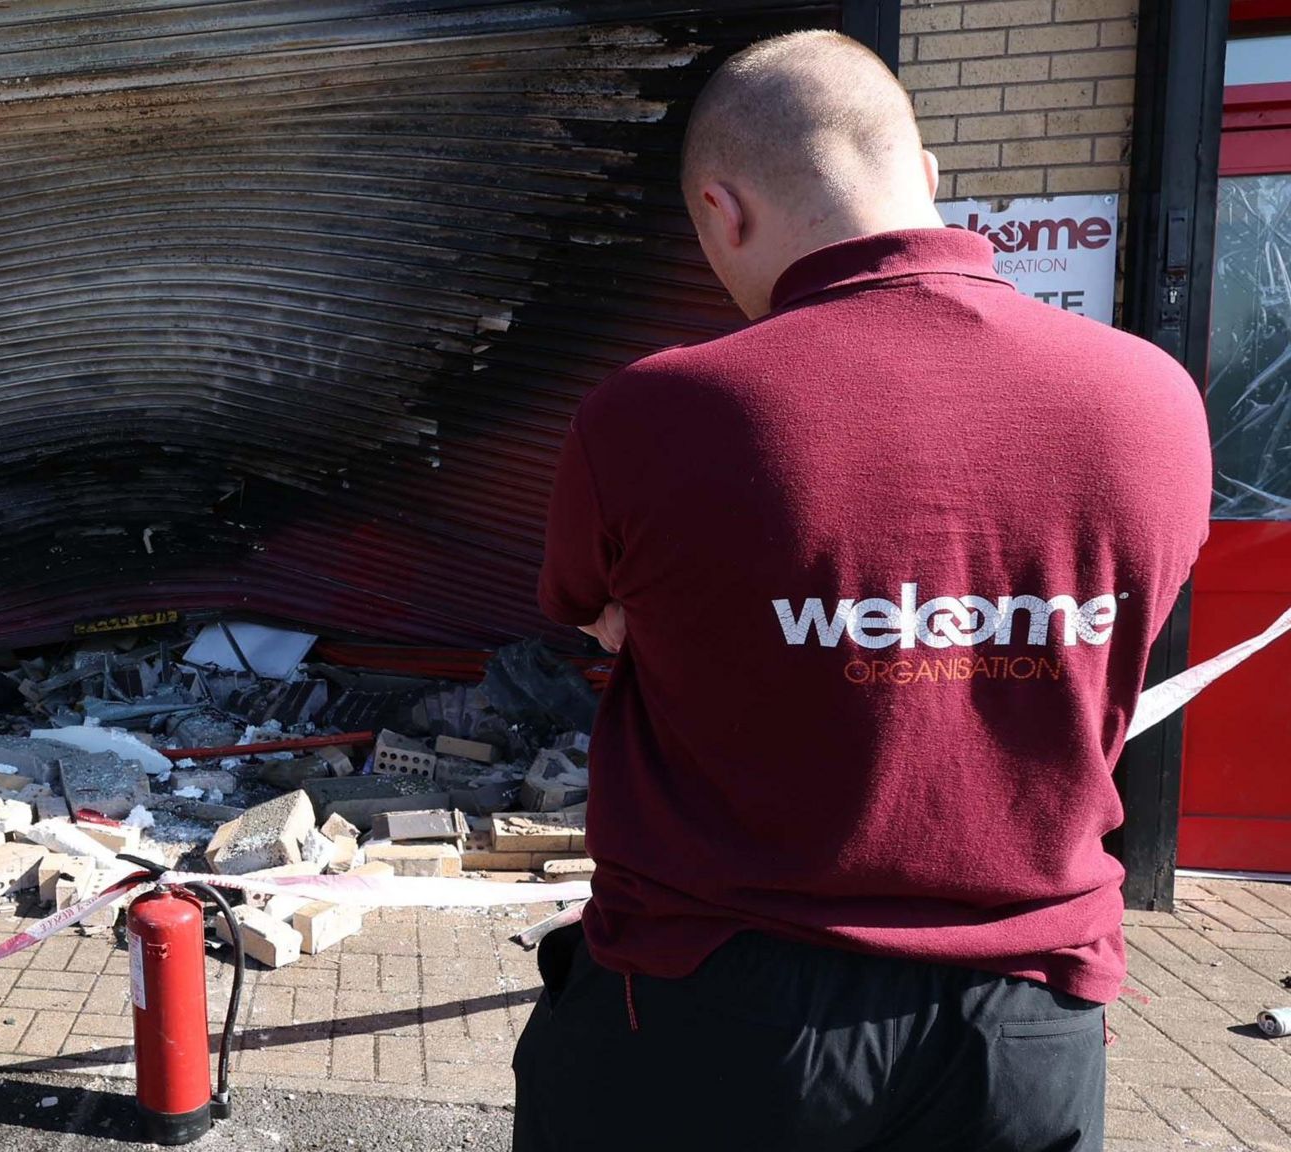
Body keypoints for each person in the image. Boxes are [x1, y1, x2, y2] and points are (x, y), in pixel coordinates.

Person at [516, 29, 1211, 1152]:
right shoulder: (1151, 401)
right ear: (926, 180)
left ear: (718, 211)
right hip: (1024, 1023)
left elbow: (583, 609)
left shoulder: (651, 416)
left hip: (717, 1007)